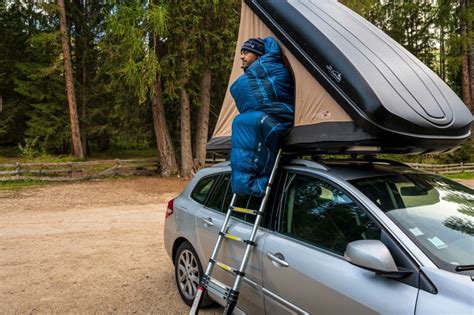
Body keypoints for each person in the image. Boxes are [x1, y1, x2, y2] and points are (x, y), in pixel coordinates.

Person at [230, 37, 295, 197]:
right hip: (264, 118)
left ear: (258, 55)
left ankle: (252, 184)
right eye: (241, 53)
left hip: (279, 116)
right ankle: (248, 183)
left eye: (245, 52)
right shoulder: (255, 73)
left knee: (249, 122)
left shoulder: (273, 68)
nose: (241, 56)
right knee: (244, 121)